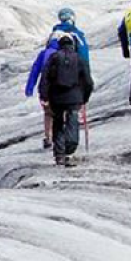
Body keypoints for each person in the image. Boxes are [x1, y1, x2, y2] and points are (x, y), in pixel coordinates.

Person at [43, 35, 94, 166]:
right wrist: (85, 97)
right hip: (74, 96)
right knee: (73, 121)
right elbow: (88, 81)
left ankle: (59, 154)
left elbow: (45, 78)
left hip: (56, 97)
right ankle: (70, 149)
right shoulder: (79, 58)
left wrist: (44, 96)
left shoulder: (53, 58)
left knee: (58, 123)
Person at [24, 37, 63, 150]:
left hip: (45, 87)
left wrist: (29, 87)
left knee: (48, 113)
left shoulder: (44, 53)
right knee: (60, 112)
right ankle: (60, 136)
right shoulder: (62, 54)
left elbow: (35, 70)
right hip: (59, 87)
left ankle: (48, 137)